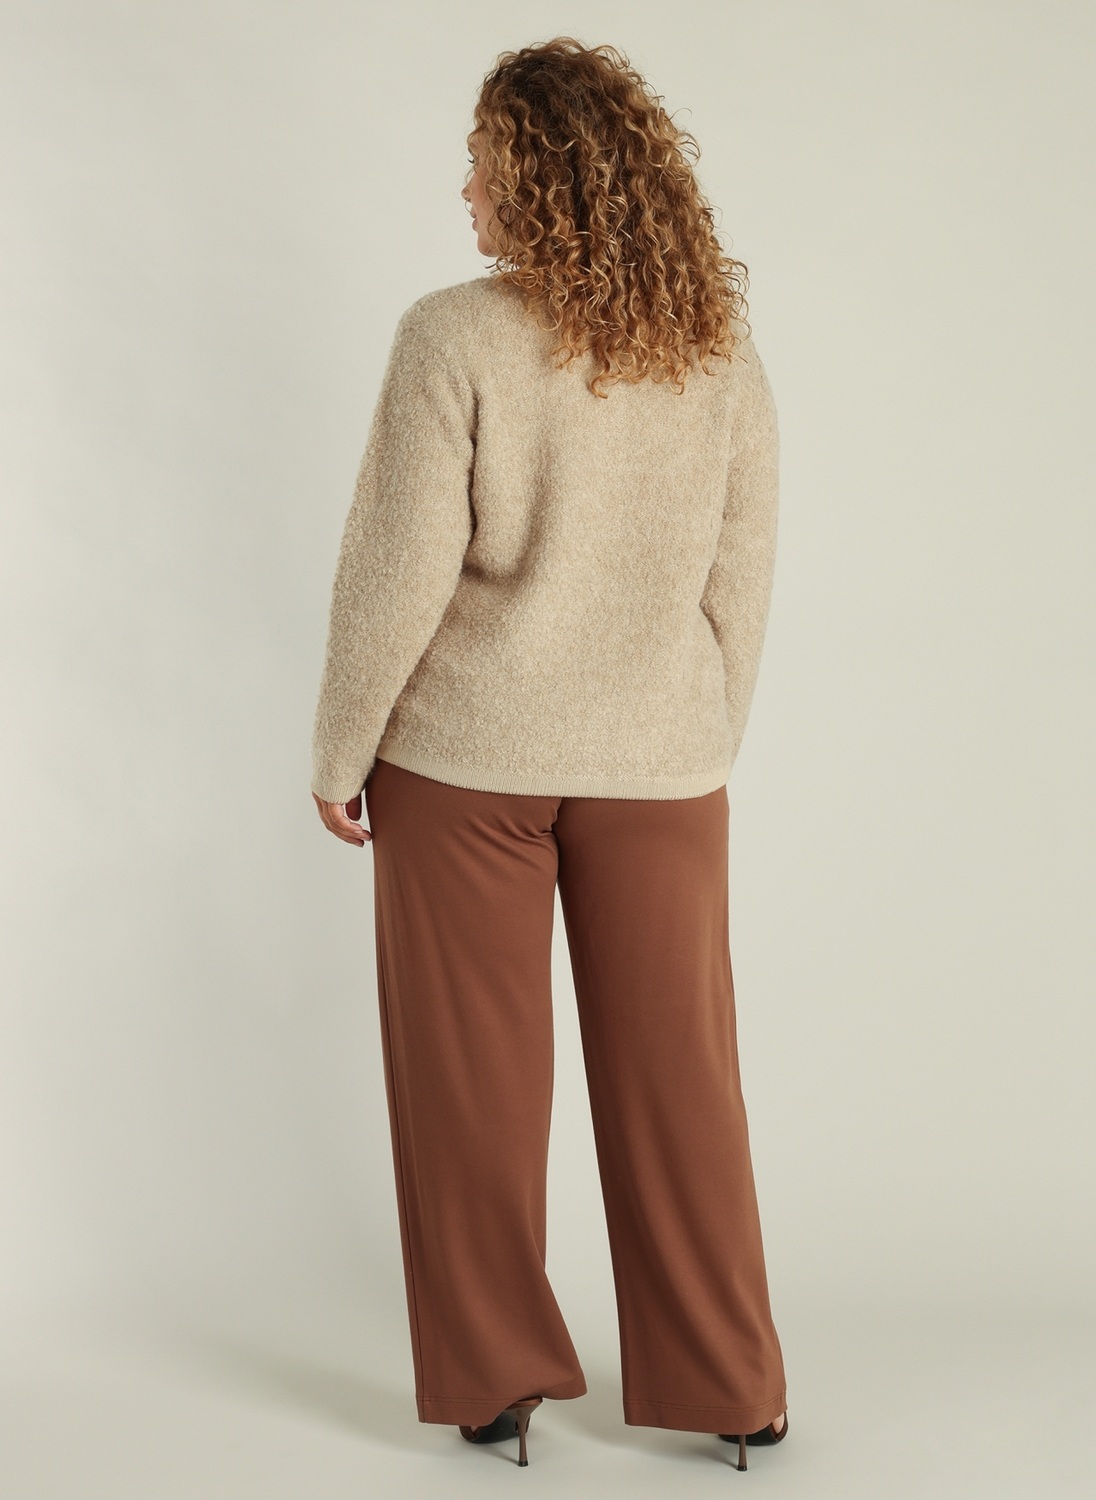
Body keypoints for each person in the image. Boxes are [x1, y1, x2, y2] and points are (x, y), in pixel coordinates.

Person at [311, 36, 788, 1472]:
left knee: (471, 1082)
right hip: (661, 763)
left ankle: (497, 1380)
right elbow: (742, 567)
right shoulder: (713, 347)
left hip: (465, 761)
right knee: (680, 1075)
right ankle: (732, 1387)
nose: (463, 190)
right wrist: (698, 730)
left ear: (536, 179)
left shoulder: (452, 336)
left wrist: (340, 747)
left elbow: (396, 569)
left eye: (481, 164)